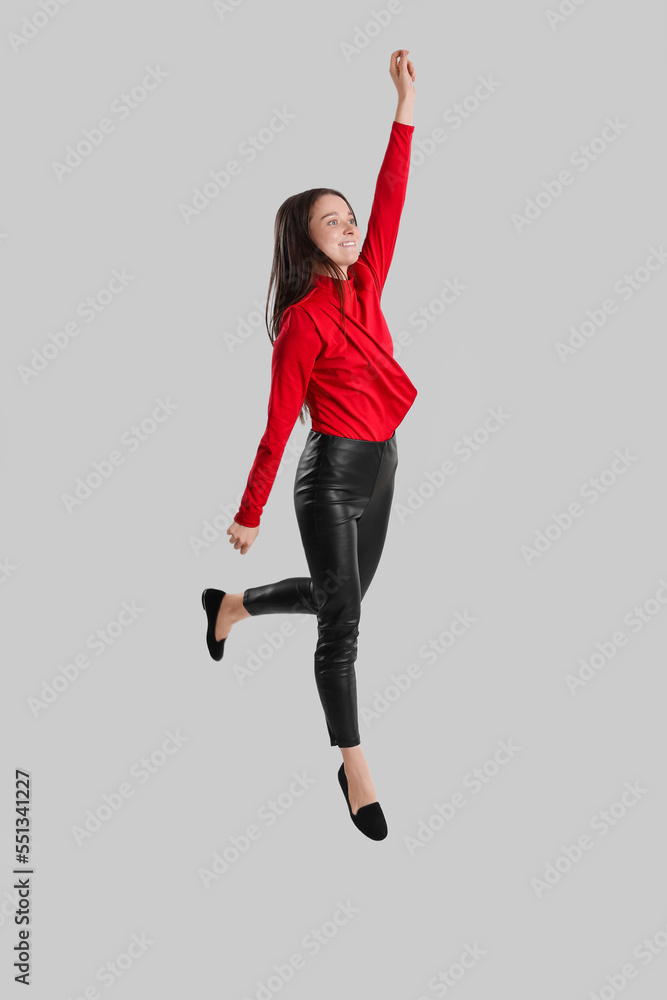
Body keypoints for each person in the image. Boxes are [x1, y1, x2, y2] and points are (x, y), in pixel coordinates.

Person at [202, 49, 418, 840]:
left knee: (344, 598)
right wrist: (250, 512)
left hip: (384, 462)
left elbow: (392, 198)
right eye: (333, 220)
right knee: (343, 623)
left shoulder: (366, 283)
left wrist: (404, 105)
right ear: (305, 238)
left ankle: (232, 606)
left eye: (349, 216)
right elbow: (274, 421)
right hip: (327, 475)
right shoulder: (301, 321)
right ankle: (354, 764)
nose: (351, 226)